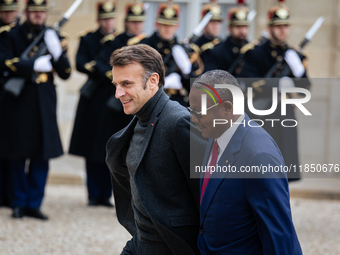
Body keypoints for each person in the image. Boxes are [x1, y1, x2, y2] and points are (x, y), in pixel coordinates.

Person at [106, 44, 206, 255]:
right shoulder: (135, 124)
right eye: (116, 84)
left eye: (126, 84)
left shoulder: (179, 122)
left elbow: (208, 197)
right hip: (139, 243)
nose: (118, 93)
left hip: (173, 247)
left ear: (152, 81)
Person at [188, 70, 302, 255]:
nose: (194, 119)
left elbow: (279, 238)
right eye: (191, 110)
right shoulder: (215, 134)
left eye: (199, 112)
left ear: (227, 108)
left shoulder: (259, 156)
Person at [0, 0, 71, 219]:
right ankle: (19, 202)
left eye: (42, 11)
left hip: (45, 100)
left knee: (42, 154)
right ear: (27, 12)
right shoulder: (12, 34)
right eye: (34, 11)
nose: (38, 15)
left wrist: (57, 53)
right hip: (20, 101)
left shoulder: (53, 36)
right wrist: (31, 66)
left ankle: (34, 203)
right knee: (18, 153)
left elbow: (66, 72)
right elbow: (3, 61)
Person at [69, 1, 131, 207]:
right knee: (92, 145)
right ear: (98, 20)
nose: (108, 22)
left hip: (114, 97)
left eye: (111, 18)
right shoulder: (89, 38)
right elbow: (80, 63)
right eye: (104, 19)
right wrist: (100, 69)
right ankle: (93, 193)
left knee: (112, 146)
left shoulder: (122, 40)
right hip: (94, 97)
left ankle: (106, 194)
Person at [240, 0, 311, 181]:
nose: (283, 30)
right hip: (262, 114)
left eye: (285, 26)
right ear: (269, 27)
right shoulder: (255, 53)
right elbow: (249, 82)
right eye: (278, 26)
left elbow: (305, 86)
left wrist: (299, 71)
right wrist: (276, 85)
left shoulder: (293, 54)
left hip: (285, 114)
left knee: (284, 167)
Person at [141, 0, 195, 107]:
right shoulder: (145, 46)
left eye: (171, 25)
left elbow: (193, 88)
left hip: (176, 102)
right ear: (157, 24)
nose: (168, 28)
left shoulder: (181, 49)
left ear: (177, 26)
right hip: (151, 102)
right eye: (164, 24)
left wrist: (186, 73)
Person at [95, 0, 147, 82]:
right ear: (126, 22)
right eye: (133, 21)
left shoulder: (148, 41)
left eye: (140, 21)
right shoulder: (116, 40)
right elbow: (101, 62)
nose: (137, 25)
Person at [0, 0, 19, 208]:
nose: (9, 15)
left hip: (11, 94)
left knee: (9, 145)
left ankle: (7, 194)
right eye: (5, 11)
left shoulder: (17, 32)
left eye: (12, 11)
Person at [203, 0, 250, 76]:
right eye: (238, 27)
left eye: (245, 27)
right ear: (229, 28)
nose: (242, 30)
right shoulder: (217, 51)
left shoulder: (252, 51)